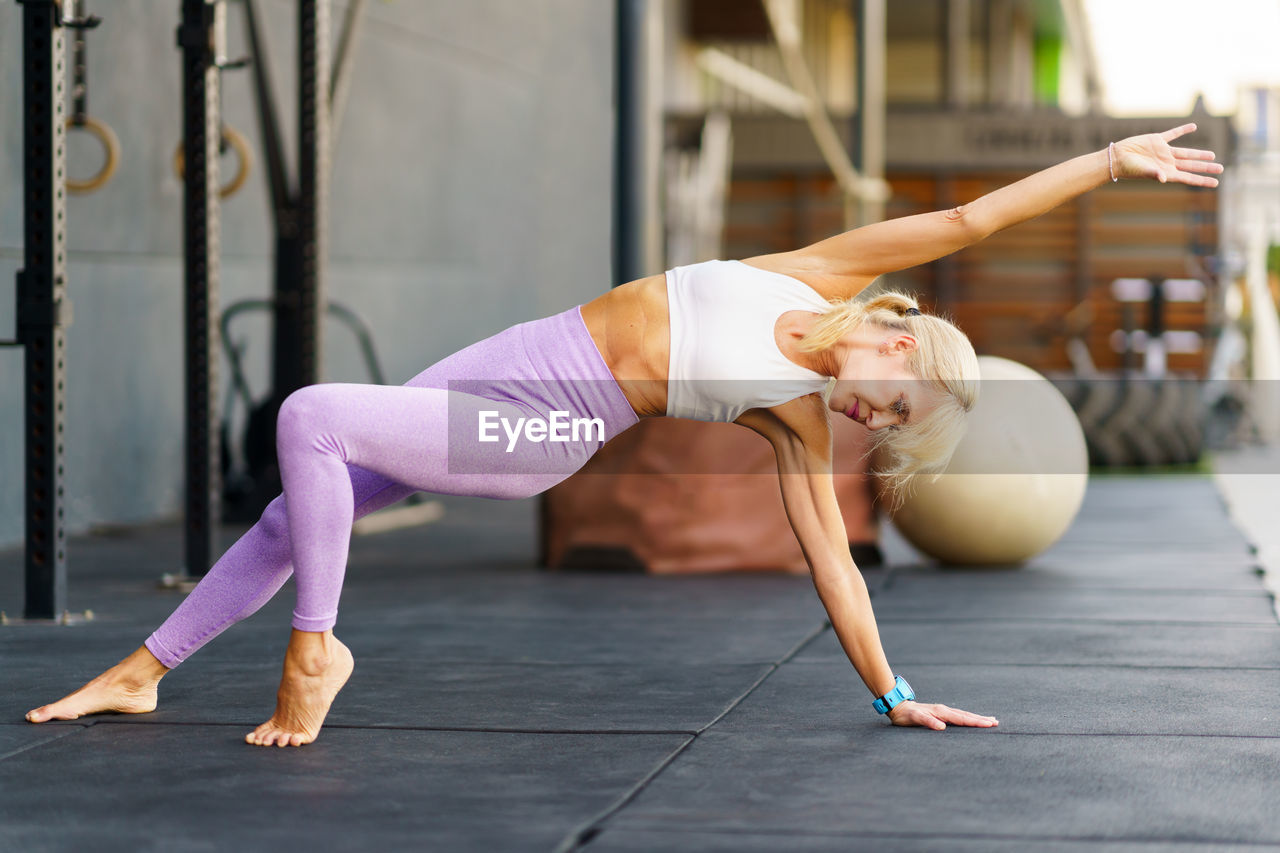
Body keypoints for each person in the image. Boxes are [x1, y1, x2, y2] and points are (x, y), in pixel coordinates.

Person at [26, 124, 1222, 746]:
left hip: (544, 423)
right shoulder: (810, 269)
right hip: (513, 352)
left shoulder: (792, 421)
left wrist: (891, 691)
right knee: (300, 510)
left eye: (883, 430)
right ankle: (143, 672)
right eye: (887, 404)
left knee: (310, 416)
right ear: (896, 344)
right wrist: (1109, 163)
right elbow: (969, 214)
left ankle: (317, 651)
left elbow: (831, 572)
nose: (866, 423)